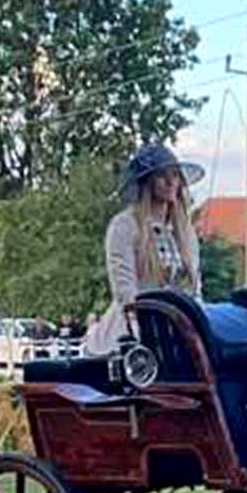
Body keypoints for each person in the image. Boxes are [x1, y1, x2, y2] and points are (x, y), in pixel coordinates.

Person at [83, 142, 205, 356]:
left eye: (175, 175)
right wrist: (147, 330)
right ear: (147, 182)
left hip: (177, 333)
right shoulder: (125, 226)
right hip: (131, 332)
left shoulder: (185, 232)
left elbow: (194, 291)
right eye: (162, 175)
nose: (171, 182)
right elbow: (125, 291)